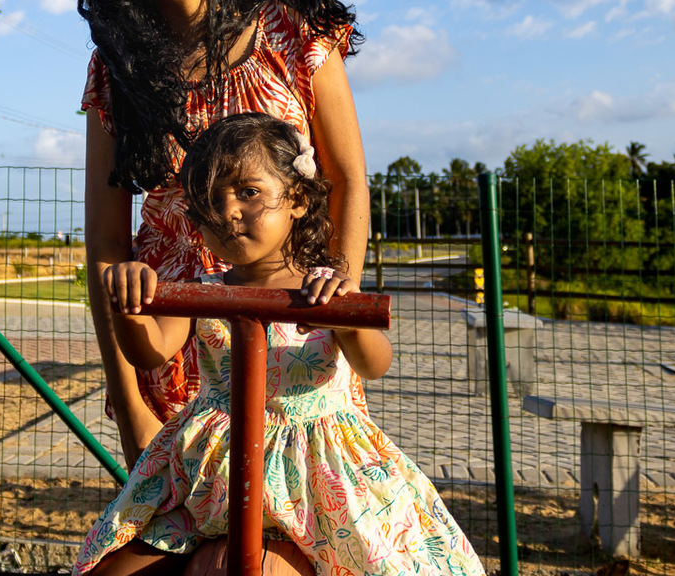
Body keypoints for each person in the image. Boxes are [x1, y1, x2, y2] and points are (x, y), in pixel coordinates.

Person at [72, 113, 486, 576]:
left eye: (248, 192)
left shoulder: (323, 290)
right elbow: (149, 352)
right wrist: (131, 306)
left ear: (297, 199)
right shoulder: (202, 290)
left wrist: (347, 319)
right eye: (210, 199)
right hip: (214, 480)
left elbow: (375, 364)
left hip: (318, 479)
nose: (228, 211)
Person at [69, 0, 370, 467]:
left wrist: (340, 284)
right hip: (173, 361)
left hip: (292, 346)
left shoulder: (292, 27)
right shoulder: (116, 76)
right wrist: (128, 405)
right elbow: (106, 243)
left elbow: (345, 180)